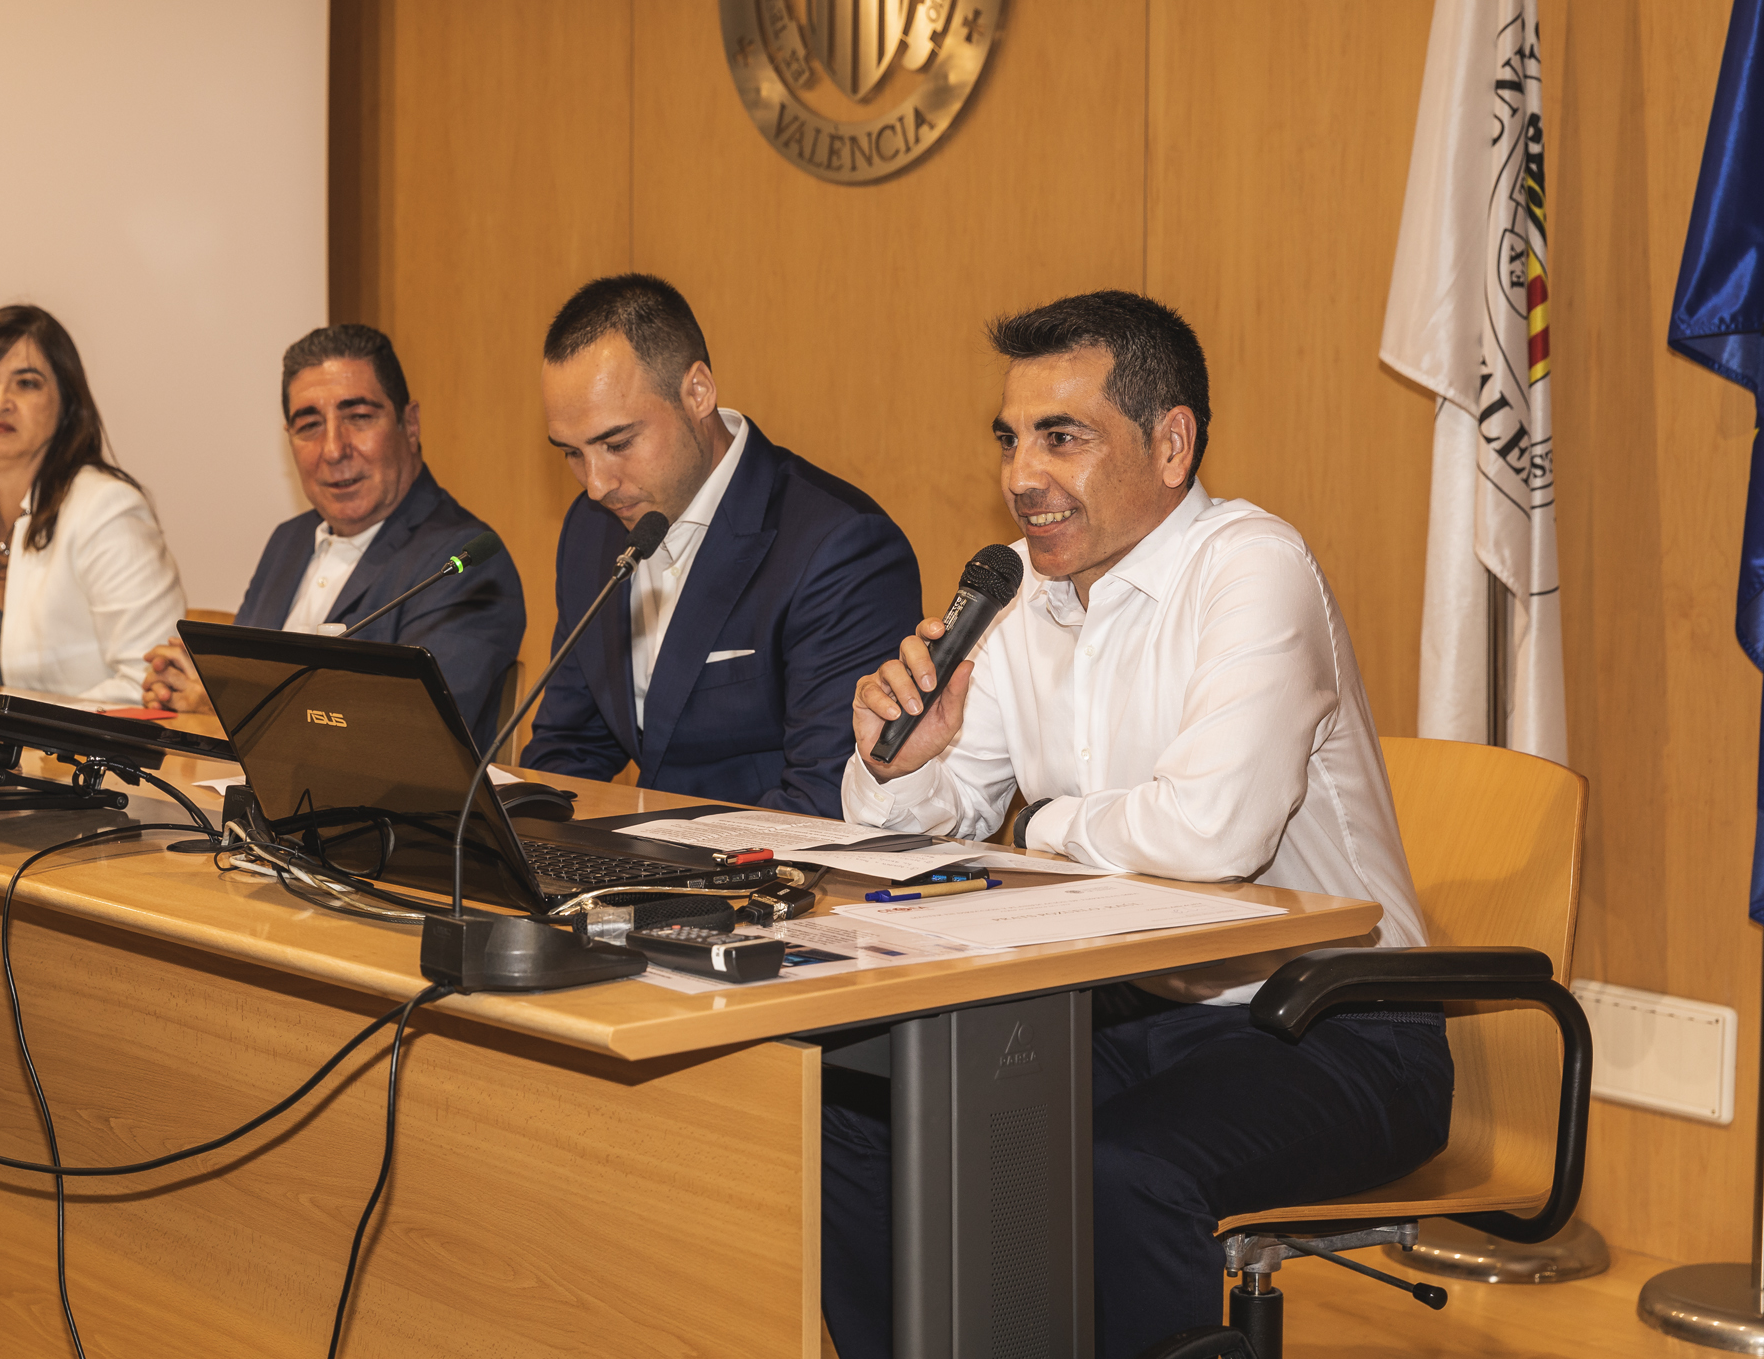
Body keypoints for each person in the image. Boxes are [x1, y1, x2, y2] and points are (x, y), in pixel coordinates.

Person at [826, 291, 1450, 1359]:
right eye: (1010, 439)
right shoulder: (1019, 591)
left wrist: (1041, 828)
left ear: (1171, 445)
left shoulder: (1252, 566)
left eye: (1062, 437)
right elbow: (926, 836)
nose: (1023, 475)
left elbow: (1213, 836)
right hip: (1137, 1008)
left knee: (1118, 1170)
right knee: (858, 1110)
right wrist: (904, 766)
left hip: (1339, 1025)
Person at [523, 274, 920, 816]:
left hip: (774, 860)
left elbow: (826, 797)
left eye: (617, 443)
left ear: (698, 392)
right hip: (642, 855)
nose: (596, 484)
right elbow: (568, 751)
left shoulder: (840, 547)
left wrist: (649, 854)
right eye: (571, 453)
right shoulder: (590, 528)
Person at [142, 324, 526, 748]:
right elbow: (240, 678)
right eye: (309, 425)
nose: (333, 449)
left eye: (359, 417)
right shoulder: (288, 541)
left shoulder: (461, 561)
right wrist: (187, 687)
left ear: (411, 423)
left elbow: (413, 734)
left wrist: (223, 703)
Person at [0, 305, 185, 705]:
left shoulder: (106, 510)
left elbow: (148, 683)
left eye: (26, 383)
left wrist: (23, 733)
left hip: (84, 746)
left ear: (67, 403)